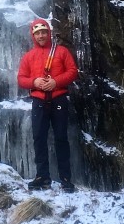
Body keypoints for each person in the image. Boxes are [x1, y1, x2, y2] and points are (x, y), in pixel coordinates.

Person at [17, 17, 78, 192]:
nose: (41, 36)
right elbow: (21, 79)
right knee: (39, 138)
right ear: (33, 35)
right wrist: (34, 82)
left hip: (59, 99)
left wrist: (56, 82)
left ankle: (66, 179)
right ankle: (42, 177)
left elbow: (73, 71)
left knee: (61, 138)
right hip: (39, 101)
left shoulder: (61, 52)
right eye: (37, 33)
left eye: (44, 32)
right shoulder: (28, 57)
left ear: (49, 33)